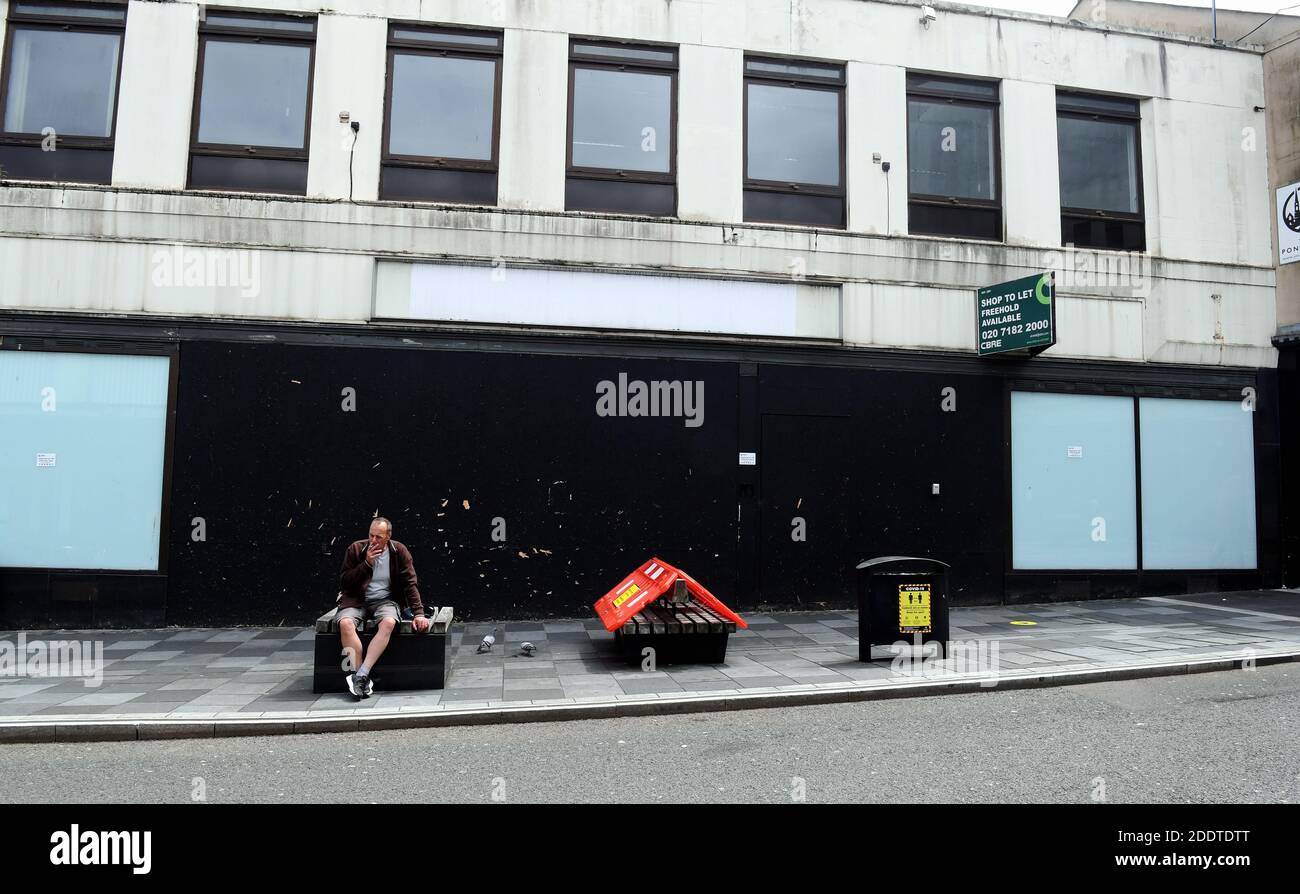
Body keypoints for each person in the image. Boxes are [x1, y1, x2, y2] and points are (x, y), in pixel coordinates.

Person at [336, 517, 429, 699]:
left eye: (379, 537)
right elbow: (345, 583)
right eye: (371, 535)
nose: (374, 540)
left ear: (388, 536)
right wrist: (367, 564)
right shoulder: (356, 548)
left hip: (385, 600)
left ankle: (362, 674)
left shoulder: (399, 551)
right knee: (345, 623)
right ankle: (360, 677)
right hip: (356, 599)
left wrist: (419, 613)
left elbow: (410, 583)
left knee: (388, 622)